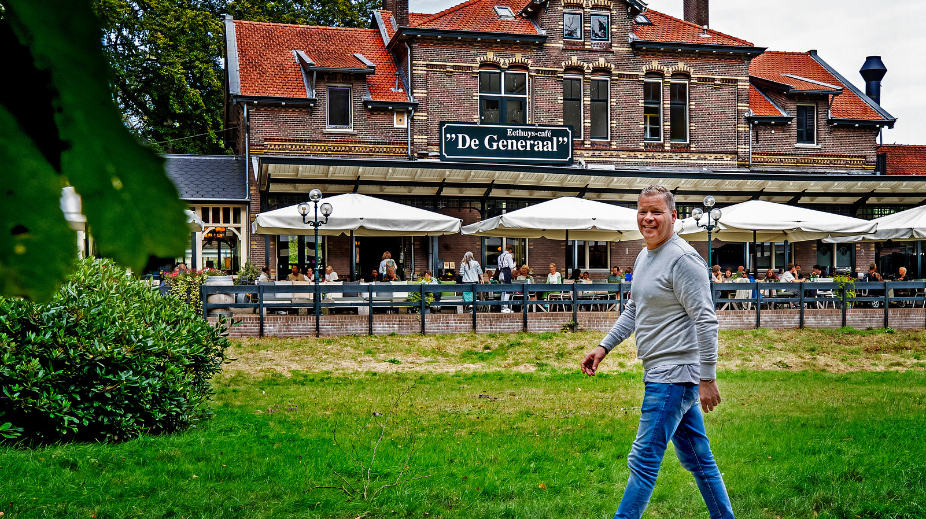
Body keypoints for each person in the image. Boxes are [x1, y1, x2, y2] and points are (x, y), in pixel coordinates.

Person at [580, 185, 732, 519]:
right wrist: (603, 347)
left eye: (657, 212)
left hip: (673, 378)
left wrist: (707, 377)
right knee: (698, 459)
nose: (648, 218)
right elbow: (634, 309)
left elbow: (706, 321)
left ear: (673, 216)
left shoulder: (683, 259)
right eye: (643, 211)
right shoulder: (645, 255)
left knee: (643, 460)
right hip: (664, 374)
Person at [498, 244, 516, 313]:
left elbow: (499, 266)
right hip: (506, 272)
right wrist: (514, 264)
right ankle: (505, 307)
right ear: (510, 250)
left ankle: (502, 307)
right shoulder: (509, 255)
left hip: (501, 273)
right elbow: (511, 266)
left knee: (503, 290)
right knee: (508, 289)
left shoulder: (500, 256)